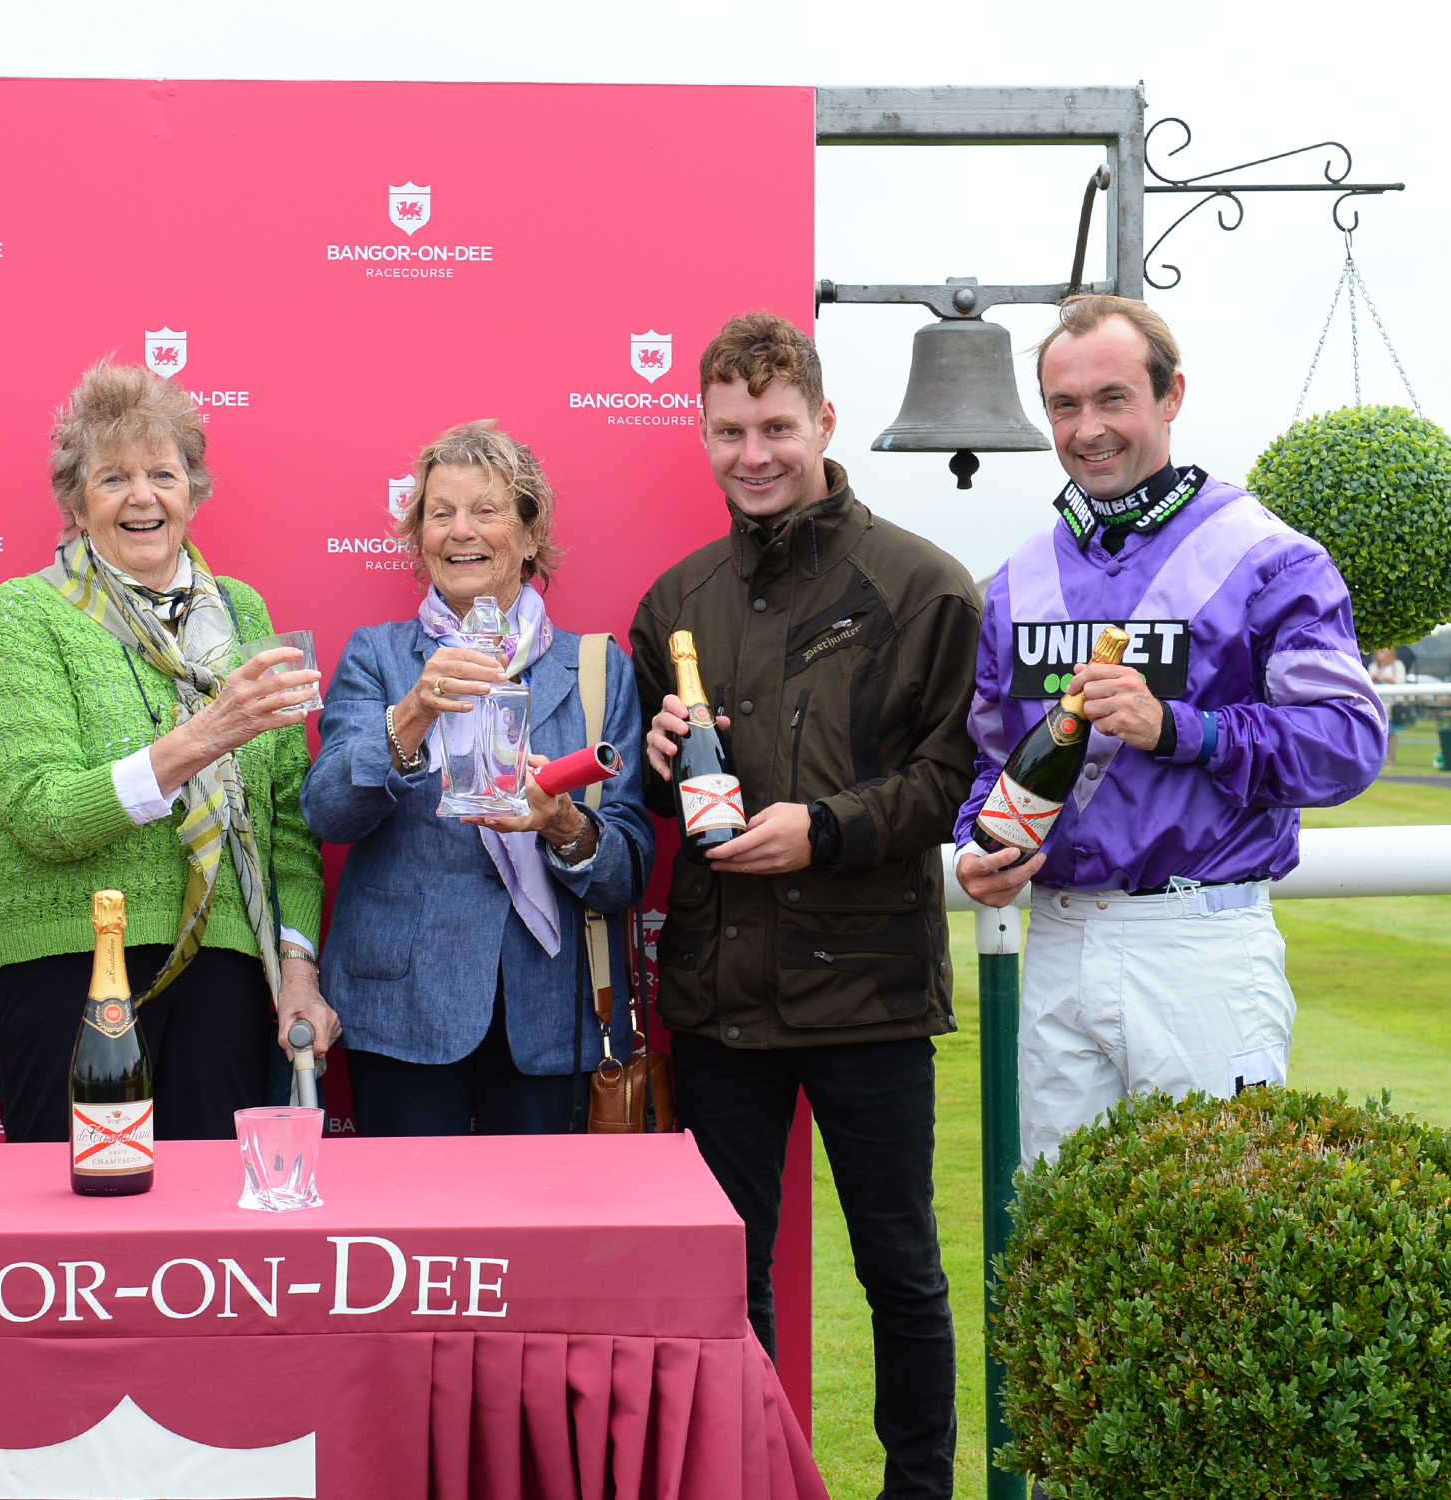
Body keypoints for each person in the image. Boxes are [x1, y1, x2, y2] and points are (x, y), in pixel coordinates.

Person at [632, 312, 978, 1500]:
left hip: (870, 993)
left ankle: (919, 1489)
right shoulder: (673, 600)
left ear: (824, 421)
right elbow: (662, 799)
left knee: (901, 1269)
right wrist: (660, 759)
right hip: (720, 997)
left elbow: (948, 780)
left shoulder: (924, 584)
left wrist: (824, 829)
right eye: (729, 431)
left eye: (776, 427)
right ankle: (754, 1482)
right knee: (728, 1281)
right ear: (703, 433)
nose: (754, 454)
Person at [956, 295, 1386, 1163]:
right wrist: (978, 842)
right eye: (1065, 405)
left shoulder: (1270, 557)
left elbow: (1347, 740)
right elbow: (995, 757)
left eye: (1113, 398)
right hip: (1060, 938)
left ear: (1171, 395)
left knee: (1216, 1226)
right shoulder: (1017, 580)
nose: (1088, 429)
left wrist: (1183, 730)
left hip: (1201, 942)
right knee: (1059, 1227)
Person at [0, 361, 336, 1142]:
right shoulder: (27, 611)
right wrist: (202, 738)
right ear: (76, 503)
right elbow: (43, 814)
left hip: (226, 960)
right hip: (68, 958)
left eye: (163, 475)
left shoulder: (242, 611)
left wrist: (298, 968)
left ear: (191, 493)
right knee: (73, 1195)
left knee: (209, 1197)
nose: (143, 497)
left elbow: (287, 826)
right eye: (113, 478)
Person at [301, 420, 654, 1135]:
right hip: (402, 1008)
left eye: (485, 510)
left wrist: (561, 822)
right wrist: (413, 714)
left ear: (529, 534)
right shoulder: (378, 658)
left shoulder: (596, 670)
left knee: (541, 1212)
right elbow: (328, 812)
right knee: (408, 1205)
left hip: (552, 1014)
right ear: (420, 537)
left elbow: (627, 870)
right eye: (441, 513)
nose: (460, 531)